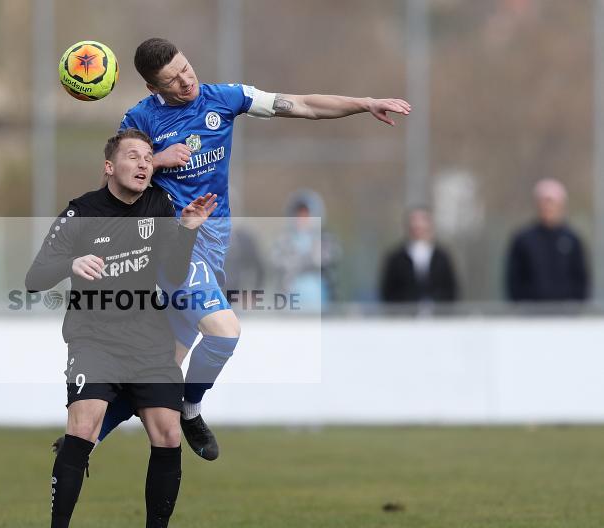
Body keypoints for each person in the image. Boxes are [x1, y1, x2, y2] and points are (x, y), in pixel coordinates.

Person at [95, 37, 411, 459]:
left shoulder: (224, 99)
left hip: (212, 247)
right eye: (172, 79)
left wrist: (364, 101)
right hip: (172, 244)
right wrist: (155, 162)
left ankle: (83, 441)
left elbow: (302, 105)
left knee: (161, 372)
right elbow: (114, 186)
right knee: (225, 333)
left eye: (186, 68)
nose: (186, 80)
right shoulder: (140, 120)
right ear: (155, 89)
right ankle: (191, 410)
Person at [27, 129, 216, 528]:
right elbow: (35, 278)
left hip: (148, 340)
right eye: (133, 156)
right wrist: (69, 263)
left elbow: (172, 268)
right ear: (109, 167)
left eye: (149, 157)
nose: (144, 163)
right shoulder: (80, 213)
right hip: (93, 337)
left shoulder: (159, 205)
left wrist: (187, 229)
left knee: (168, 434)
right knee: (84, 426)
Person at [505, 178, 589, 302]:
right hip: (531, 315)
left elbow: (581, 278)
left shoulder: (572, 239)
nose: (548, 207)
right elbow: (514, 279)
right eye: (544, 202)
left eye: (552, 202)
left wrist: (574, 307)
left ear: (561, 205)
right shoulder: (523, 239)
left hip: (565, 315)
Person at [272, 189, 342, 309]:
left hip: (321, 302)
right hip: (291, 302)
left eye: (306, 214)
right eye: (299, 215)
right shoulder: (284, 240)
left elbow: (329, 258)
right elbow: (276, 259)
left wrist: (300, 262)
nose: (302, 219)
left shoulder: (325, 238)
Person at [380, 206, 459, 304]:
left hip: (437, 316)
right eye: (414, 221)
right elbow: (388, 291)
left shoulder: (442, 257)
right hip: (405, 315)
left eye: (422, 221)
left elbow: (451, 290)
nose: (418, 225)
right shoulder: (396, 258)